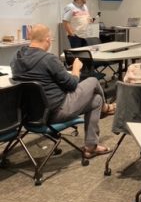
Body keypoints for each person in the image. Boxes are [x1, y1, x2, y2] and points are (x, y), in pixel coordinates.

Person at [11, 24, 114, 159]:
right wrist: (76, 68)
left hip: (29, 114)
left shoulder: (16, 57)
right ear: (47, 39)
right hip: (55, 111)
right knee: (93, 81)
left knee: (96, 101)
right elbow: (71, 85)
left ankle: (91, 147)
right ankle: (106, 109)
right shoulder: (49, 59)